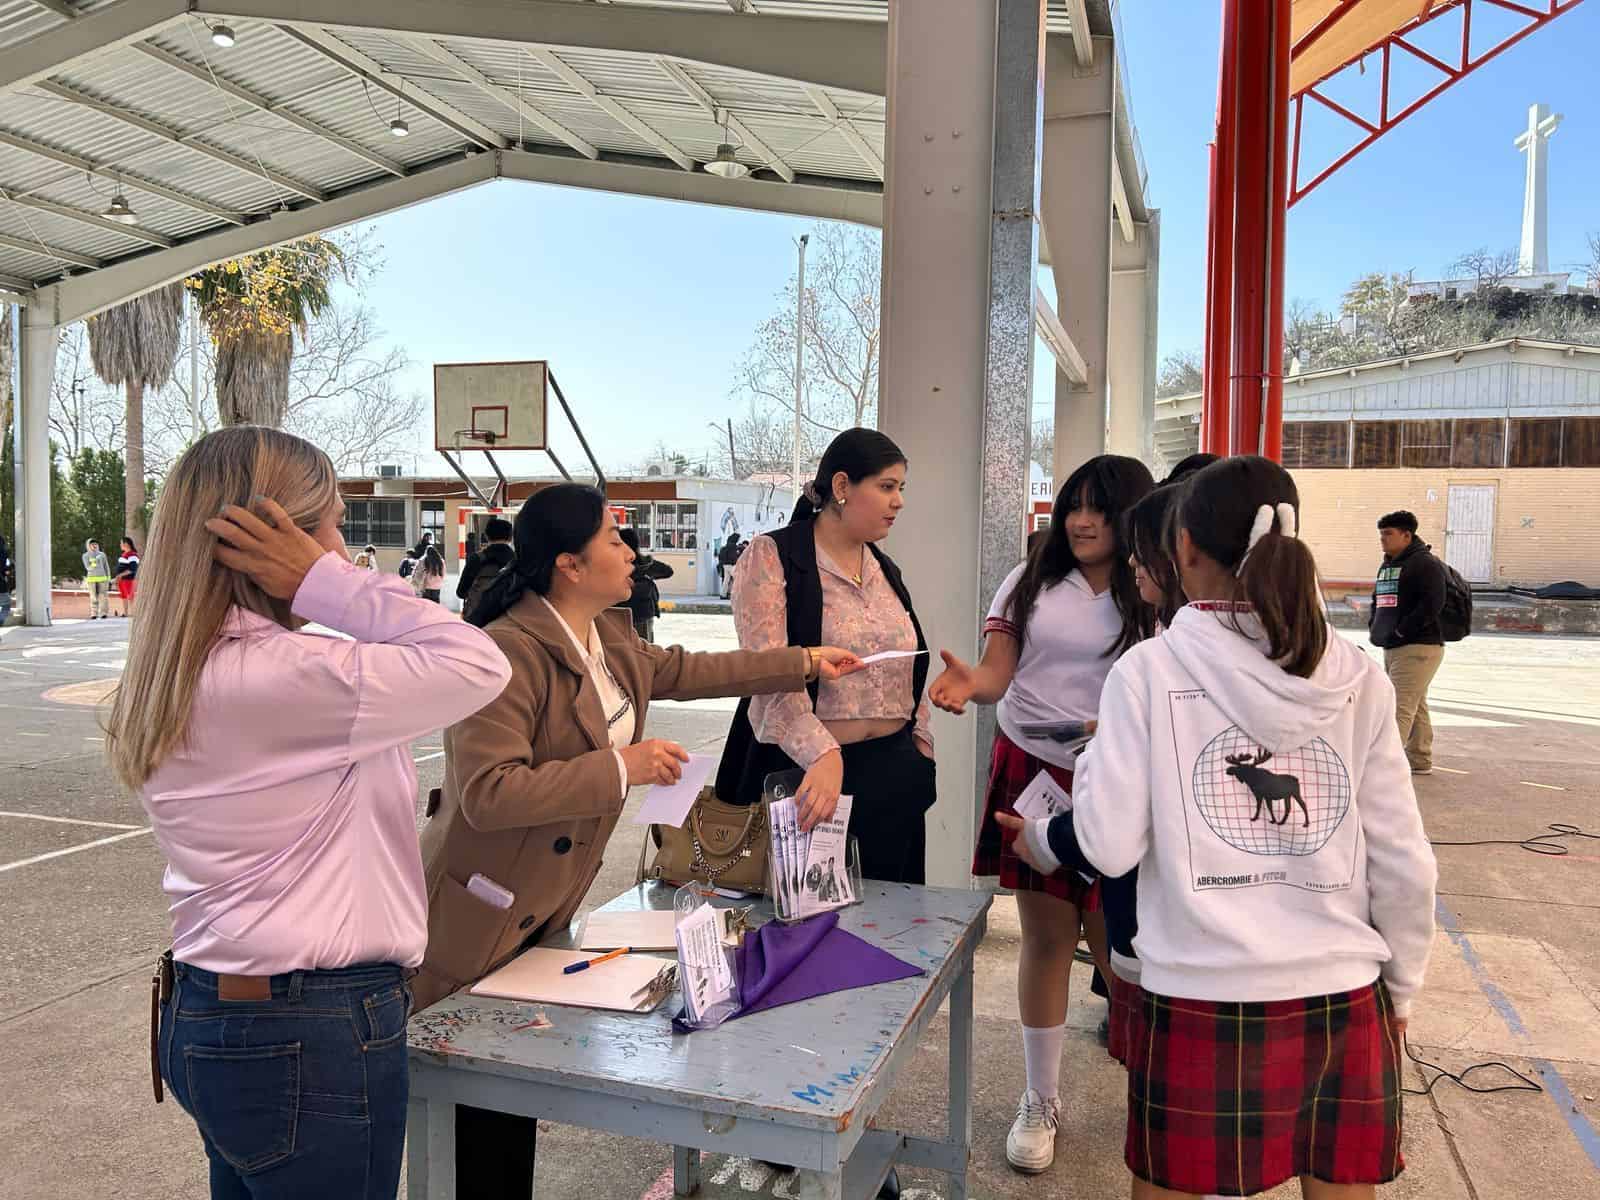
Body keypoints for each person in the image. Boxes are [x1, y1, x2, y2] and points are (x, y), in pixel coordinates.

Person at [1001, 455, 1437, 1200]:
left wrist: (1040, 840)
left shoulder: (1149, 671)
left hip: (1199, 990)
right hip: (1340, 992)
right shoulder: (1358, 676)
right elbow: (1404, 859)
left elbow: (1105, 842)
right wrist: (1400, 989)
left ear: (1185, 551)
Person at [415, 482, 861, 1198]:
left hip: (543, 913)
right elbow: (488, 793)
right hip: (475, 919)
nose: (631, 552)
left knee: (509, 1103)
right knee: (474, 1115)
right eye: (614, 539)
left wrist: (804, 661)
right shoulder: (506, 654)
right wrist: (620, 766)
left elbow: (694, 670)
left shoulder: (609, 637)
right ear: (568, 563)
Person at [112, 426, 510, 1200]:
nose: (341, 547)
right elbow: (476, 662)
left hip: (215, 1008)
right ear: (277, 543)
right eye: (328, 526)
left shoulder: (190, 668)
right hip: (311, 1027)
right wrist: (327, 583)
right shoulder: (287, 677)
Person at [928, 454, 1155, 1174]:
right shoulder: (1029, 581)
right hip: (1032, 771)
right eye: (1072, 506)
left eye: (1100, 507)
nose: (1083, 521)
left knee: (1125, 942)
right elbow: (999, 671)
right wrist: (974, 685)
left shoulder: (1156, 588)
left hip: (1121, 772)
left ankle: (1156, 1091)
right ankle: (1040, 1098)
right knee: (1047, 937)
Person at [719, 428, 936, 885]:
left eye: (901, 489)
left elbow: (903, 659)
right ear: (841, 487)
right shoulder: (775, 556)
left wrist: (921, 746)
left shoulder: (883, 567)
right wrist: (823, 754)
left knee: (891, 936)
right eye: (886, 487)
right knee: (813, 935)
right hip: (811, 780)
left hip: (893, 780)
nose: (898, 501)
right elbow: (767, 674)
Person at [1370, 510, 1448, 775]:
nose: (1383, 539)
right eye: (1381, 534)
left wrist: (1402, 632)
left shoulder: (1425, 564)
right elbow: (1378, 598)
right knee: (1416, 704)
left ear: (1407, 535)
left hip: (1418, 647)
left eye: (1388, 534)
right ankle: (1419, 758)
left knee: (1399, 706)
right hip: (1395, 645)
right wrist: (1376, 626)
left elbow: (1432, 605)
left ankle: (1384, 769)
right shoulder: (1390, 564)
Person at [619, 525, 673, 641]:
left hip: (626, 613)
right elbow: (667, 571)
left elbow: (668, 571)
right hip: (642, 613)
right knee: (644, 650)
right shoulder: (644, 563)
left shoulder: (626, 563)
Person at [457, 516, 516, 621]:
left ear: (486, 536)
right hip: (510, 619)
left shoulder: (476, 559)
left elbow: (461, 592)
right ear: (511, 537)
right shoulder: (518, 560)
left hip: (477, 619)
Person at [83, 538, 113, 620]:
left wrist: (109, 577)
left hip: (102, 578)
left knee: (103, 596)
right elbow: (88, 568)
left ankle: (103, 613)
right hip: (91, 579)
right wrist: (95, 561)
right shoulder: (85, 556)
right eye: (92, 544)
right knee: (93, 597)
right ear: (88, 546)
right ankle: (94, 614)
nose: (94, 546)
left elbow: (106, 566)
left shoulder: (102, 555)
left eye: (96, 544)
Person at [113, 535, 140, 616]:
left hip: (128, 580)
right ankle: (125, 612)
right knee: (124, 596)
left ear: (126, 544)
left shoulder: (132, 555)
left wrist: (120, 575)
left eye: (121, 543)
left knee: (130, 596)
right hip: (122, 580)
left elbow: (132, 569)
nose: (120, 545)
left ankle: (133, 613)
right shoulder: (124, 554)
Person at [717, 532, 742, 598]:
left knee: (726, 580)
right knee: (737, 578)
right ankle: (734, 593)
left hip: (725, 565)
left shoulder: (726, 546)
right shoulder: (734, 547)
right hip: (731, 565)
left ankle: (723, 594)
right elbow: (733, 556)